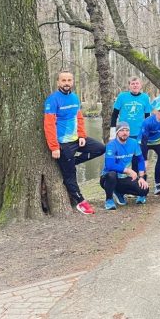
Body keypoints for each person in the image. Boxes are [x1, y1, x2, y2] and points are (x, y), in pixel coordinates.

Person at [44, 71, 105, 215]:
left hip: (77, 139)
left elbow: (79, 117)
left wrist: (82, 135)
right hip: (63, 144)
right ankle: (80, 202)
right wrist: (54, 147)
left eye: (69, 80)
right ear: (58, 82)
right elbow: (49, 125)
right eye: (63, 80)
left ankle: (71, 162)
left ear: (72, 82)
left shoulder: (75, 98)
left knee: (100, 148)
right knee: (70, 175)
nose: (66, 83)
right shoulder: (52, 100)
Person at [100, 122, 150, 210]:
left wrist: (141, 177)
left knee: (144, 190)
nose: (125, 133)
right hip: (107, 178)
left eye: (127, 130)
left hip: (123, 178)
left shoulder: (133, 143)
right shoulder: (111, 145)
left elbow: (140, 159)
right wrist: (128, 170)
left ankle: (118, 192)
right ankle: (109, 200)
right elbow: (109, 165)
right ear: (117, 132)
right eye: (122, 130)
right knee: (112, 174)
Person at [109, 76, 152, 141]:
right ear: (129, 86)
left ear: (140, 85)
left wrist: (148, 132)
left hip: (139, 133)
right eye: (133, 83)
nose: (135, 85)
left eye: (137, 83)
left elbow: (147, 117)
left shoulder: (145, 97)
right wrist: (112, 132)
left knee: (138, 151)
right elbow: (114, 115)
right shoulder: (122, 96)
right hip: (123, 132)